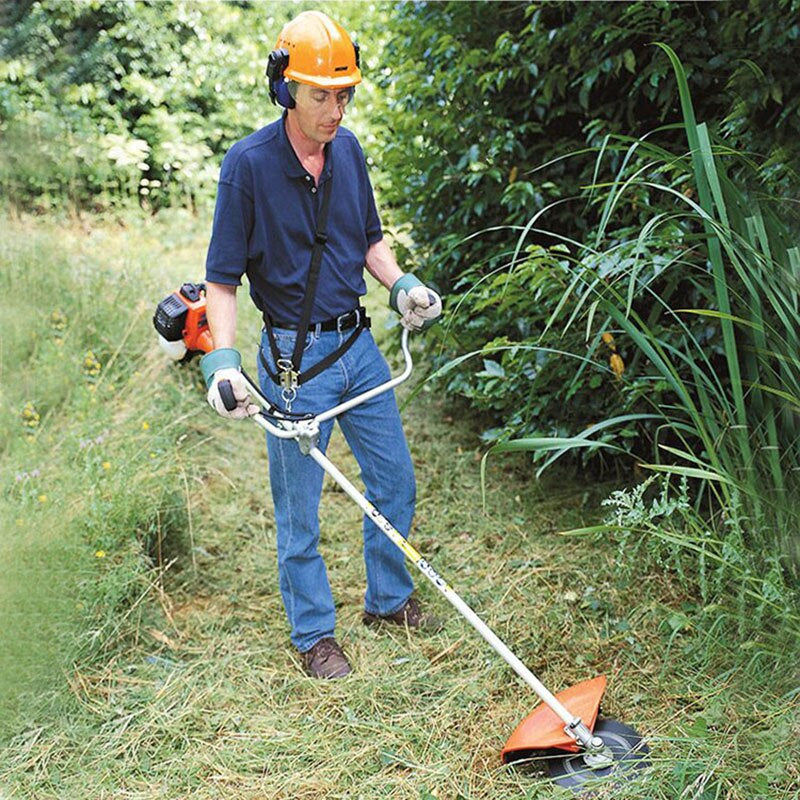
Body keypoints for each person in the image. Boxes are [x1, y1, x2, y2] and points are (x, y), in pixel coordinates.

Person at [199, 11, 443, 679]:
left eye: (344, 95)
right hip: (294, 363)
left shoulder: (349, 151)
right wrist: (222, 362)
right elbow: (221, 281)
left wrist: (402, 285)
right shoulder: (247, 166)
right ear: (286, 89)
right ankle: (314, 634)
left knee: (395, 482)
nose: (335, 111)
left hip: (357, 348)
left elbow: (368, 241)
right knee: (299, 511)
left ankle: (388, 599)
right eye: (321, 96)